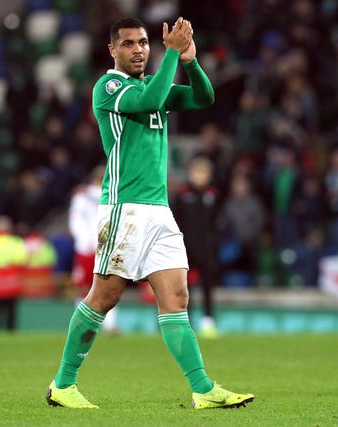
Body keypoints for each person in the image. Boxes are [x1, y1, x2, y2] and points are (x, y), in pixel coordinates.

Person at [46, 16, 253, 410]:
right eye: (128, 44)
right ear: (112, 50)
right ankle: (63, 384)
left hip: (159, 209)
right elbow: (151, 101)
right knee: (103, 296)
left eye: (143, 42)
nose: (138, 49)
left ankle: (203, 389)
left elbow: (204, 98)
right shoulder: (109, 87)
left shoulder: (150, 84)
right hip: (124, 208)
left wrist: (190, 60)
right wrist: (172, 54)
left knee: (176, 297)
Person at [172, 157, 220, 337]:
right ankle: (186, 321)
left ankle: (208, 321)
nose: (200, 177)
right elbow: (176, 221)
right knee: (184, 289)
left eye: (204, 173)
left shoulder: (213, 195)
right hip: (185, 249)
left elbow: (216, 223)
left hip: (207, 249)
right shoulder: (183, 194)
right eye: (197, 173)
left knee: (208, 286)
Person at [68, 165, 119, 334]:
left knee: (90, 287)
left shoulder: (83, 196)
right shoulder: (108, 196)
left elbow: (74, 220)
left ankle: (88, 324)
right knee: (102, 286)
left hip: (91, 247)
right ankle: (105, 325)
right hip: (93, 247)